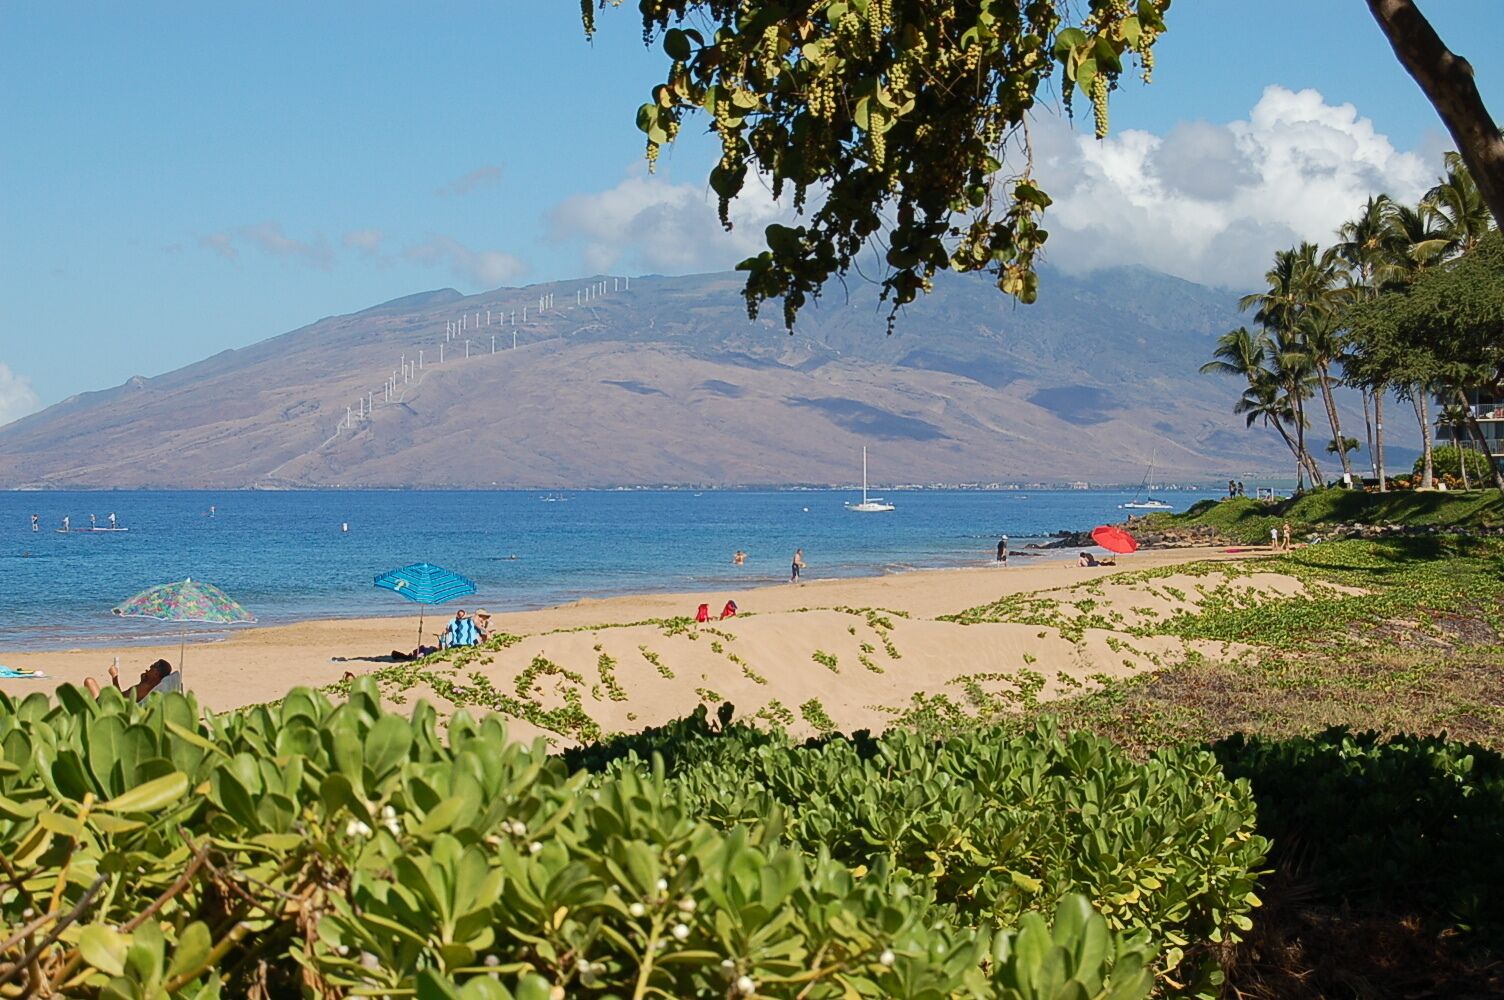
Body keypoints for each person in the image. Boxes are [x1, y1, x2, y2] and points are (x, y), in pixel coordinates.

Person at [85, 658, 177, 702]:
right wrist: (142, 681)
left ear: (156, 673)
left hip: (109, 705)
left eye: (152, 666)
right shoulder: (149, 685)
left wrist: (114, 676)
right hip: (112, 701)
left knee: (89, 681)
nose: (150, 667)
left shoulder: (145, 688)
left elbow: (120, 699)